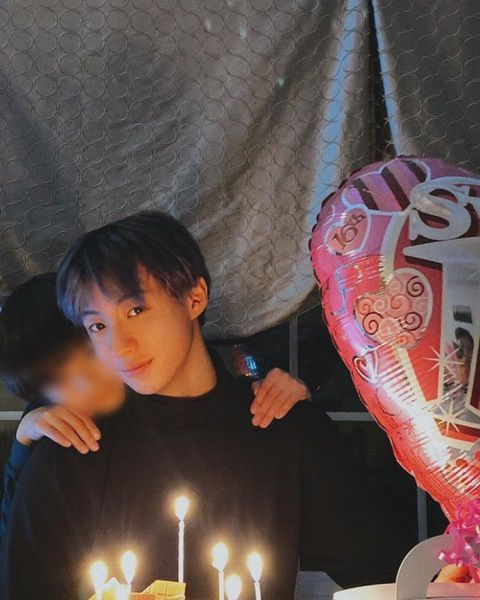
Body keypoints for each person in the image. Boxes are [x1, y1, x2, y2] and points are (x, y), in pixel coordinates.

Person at [1, 211, 411, 599]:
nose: (119, 346)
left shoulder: (285, 429)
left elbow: (384, 572)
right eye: (97, 325)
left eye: (136, 309)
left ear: (194, 297)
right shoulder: (75, 446)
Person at [0, 273, 310, 542]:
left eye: (89, 356)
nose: (85, 385)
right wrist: (23, 444)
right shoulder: (51, 422)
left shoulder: (174, 382)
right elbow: (13, 548)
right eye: (58, 381)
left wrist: (287, 399)